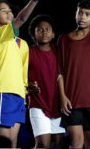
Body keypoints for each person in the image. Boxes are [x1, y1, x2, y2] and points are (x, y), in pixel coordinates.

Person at [0, 0, 47, 148]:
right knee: (4, 144)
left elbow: (22, 72)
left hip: (18, 97)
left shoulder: (22, 44)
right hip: (2, 93)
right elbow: (21, 19)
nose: (9, 13)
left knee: (13, 144)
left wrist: (26, 89)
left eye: (10, 10)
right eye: (4, 11)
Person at [57, 0, 90, 149]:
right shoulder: (64, 40)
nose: (82, 16)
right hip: (71, 101)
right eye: (80, 12)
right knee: (75, 143)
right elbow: (59, 72)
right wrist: (62, 97)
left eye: (87, 14)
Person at [27, 14, 65, 149]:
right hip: (38, 103)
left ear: (53, 34)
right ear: (34, 34)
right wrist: (27, 84)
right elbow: (18, 74)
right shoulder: (28, 52)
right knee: (43, 144)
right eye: (40, 30)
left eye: (47, 29)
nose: (44, 32)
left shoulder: (59, 51)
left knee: (58, 144)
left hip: (58, 104)